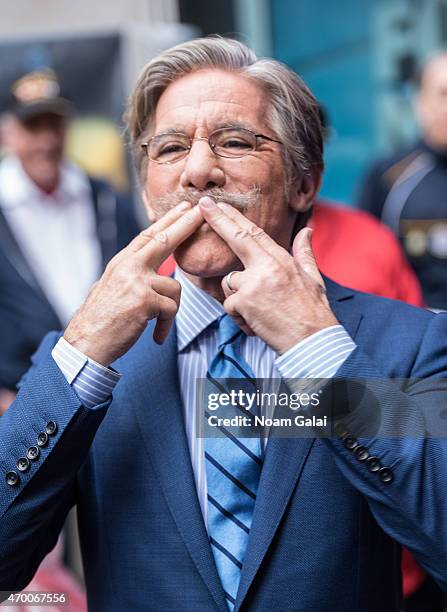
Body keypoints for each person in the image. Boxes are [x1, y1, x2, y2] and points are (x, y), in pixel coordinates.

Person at [0, 37, 447, 612]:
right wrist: (82, 350)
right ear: (145, 189)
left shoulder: (403, 346)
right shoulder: (92, 361)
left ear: (304, 183)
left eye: (235, 142)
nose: (198, 171)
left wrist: (318, 352)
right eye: (169, 149)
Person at [0, 68, 140, 398]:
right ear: (7, 132)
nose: (47, 141)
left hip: (111, 391)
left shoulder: (107, 201)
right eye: (33, 127)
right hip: (17, 400)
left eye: (54, 125)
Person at [357, 52, 447, 311]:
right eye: (443, 94)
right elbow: (365, 260)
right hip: (415, 330)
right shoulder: (389, 176)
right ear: (420, 102)